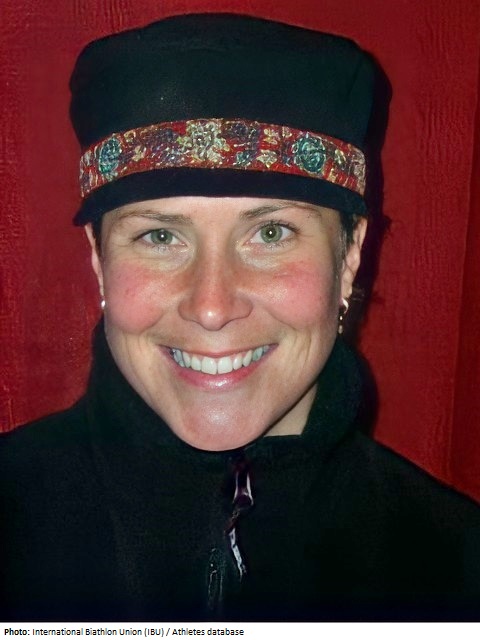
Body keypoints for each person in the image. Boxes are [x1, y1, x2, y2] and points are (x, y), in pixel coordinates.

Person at [1, 13, 480, 622]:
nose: (211, 306)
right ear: (99, 261)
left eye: (271, 233)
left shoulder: (454, 569)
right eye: (159, 236)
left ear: (350, 256)